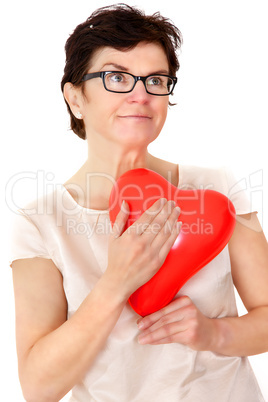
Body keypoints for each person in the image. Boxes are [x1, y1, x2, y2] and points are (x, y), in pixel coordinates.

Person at [10, 4, 268, 402]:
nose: (140, 94)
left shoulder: (216, 189)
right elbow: (38, 387)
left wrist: (215, 333)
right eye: (117, 77)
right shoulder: (40, 221)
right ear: (75, 97)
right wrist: (117, 282)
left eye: (155, 80)